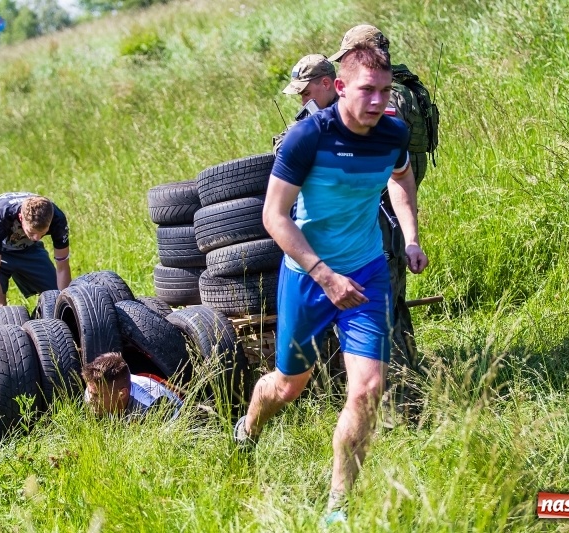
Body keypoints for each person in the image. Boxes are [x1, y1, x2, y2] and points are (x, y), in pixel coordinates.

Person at [236, 44, 428, 524]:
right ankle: (248, 428)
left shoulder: (393, 134)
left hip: (366, 273)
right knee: (287, 387)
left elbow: (401, 178)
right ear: (339, 88)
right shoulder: (308, 138)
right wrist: (324, 275)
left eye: (385, 91)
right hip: (308, 278)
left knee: (367, 390)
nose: (377, 101)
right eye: (367, 90)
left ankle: (337, 508)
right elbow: (274, 217)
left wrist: (409, 237)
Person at [330, 24, 439, 424]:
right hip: (392, 215)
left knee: (378, 315)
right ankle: (414, 388)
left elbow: (375, 156)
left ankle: (398, 410)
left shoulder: (384, 96)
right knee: (394, 307)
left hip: (379, 221)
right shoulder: (406, 87)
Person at [0, 192, 72, 309]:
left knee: (55, 292)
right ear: (21, 218)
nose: (37, 238)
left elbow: (63, 267)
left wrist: (66, 307)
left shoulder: (57, 218)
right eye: (32, 232)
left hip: (25, 246)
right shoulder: (0, 217)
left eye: (42, 233)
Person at [82, 352, 183, 420]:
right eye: (91, 393)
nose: (90, 399)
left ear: (122, 394)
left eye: (98, 396)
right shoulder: (93, 390)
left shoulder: (151, 406)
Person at [272, 54, 338, 154]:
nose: (303, 102)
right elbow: (281, 141)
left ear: (326, 84)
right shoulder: (312, 115)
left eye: (307, 93)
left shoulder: (354, 109)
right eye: (301, 95)